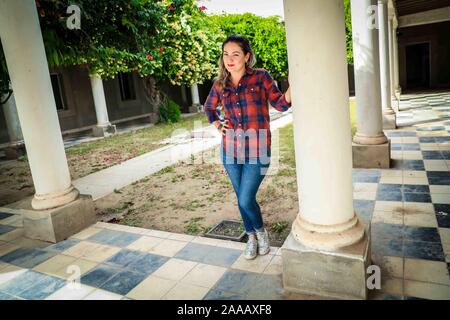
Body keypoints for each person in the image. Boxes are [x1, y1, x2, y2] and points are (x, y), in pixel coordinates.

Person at [203, 34, 292, 259]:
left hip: (257, 149)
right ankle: (251, 237)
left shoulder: (261, 77)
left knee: (245, 198)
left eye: (236, 54)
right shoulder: (220, 84)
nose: (230, 59)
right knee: (241, 196)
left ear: (246, 56)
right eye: (226, 54)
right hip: (230, 150)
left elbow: (281, 104)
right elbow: (209, 108)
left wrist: (293, 85)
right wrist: (216, 123)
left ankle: (260, 232)